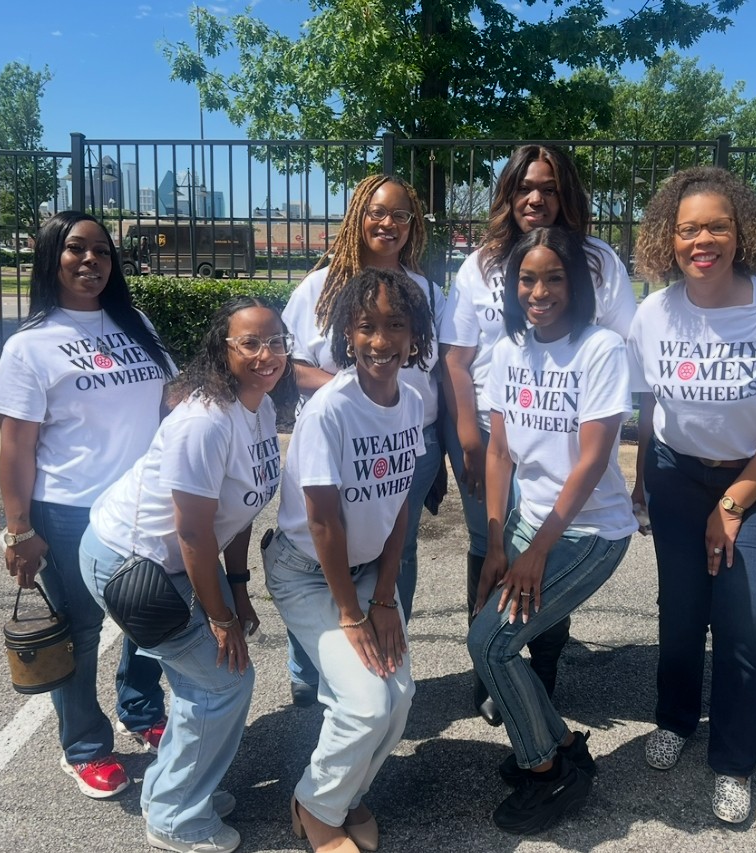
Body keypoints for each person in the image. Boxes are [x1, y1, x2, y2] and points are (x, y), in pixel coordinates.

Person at [628, 166, 756, 824]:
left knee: (743, 618)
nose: (702, 241)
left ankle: (734, 760)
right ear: (668, 237)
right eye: (688, 229)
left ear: (741, 232)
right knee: (681, 609)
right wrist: (641, 478)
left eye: (717, 226)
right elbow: (650, 405)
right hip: (676, 476)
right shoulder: (653, 313)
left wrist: (733, 503)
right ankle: (675, 718)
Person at [79, 297, 296, 853]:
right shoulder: (205, 422)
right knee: (219, 683)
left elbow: (243, 506)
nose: (267, 354)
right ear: (223, 350)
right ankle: (175, 816)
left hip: (174, 561)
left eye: (276, 340)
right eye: (251, 342)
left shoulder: (259, 407)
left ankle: (173, 792)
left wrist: (238, 591)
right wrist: (220, 619)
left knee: (209, 682)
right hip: (133, 565)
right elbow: (194, 532)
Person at [439, 144, 636, 725]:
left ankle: (541, 671)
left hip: (564, 436)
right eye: (525, 187)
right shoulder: (480, 264)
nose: (536, 198)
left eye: (549, 188)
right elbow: (457, 356)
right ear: (508, 193)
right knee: (491, 547)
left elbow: (619, 344)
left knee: (548, 558)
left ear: (565, 195)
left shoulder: (598, 261)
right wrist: (469, 438)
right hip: (493, 432)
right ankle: (490, 671)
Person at [0, 211, 176, 798]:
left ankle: (141, 710)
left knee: (151, 618)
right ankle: (84, 746)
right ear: (52, 257)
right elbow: (16, 447)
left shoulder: (135, 323)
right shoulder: (30, 346)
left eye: (102, 250)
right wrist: (19, 529)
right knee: (82, 631)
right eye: (76, 248)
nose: (91, 260)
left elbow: (167, 404)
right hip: (69, 510)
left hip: (143, 504)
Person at [466, 227, 637, 835]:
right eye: (527, 279)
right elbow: (499, 454)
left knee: (492, 645)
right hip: (525, 521)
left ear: (578, 284)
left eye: (555, 278)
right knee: (490, 640)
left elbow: (591, 462)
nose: (539, 292)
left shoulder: (601, 349)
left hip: (589, 531)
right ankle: (561, 746)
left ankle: (547, 772)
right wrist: (496, 544)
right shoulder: (508, 351)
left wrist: (536, 551)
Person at [262, 268, 432, 853]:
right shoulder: (329, 410)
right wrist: (352, 613)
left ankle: (344, 793)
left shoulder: (412, 402)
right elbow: (323, 522)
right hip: (309, 574)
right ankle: (316, 806)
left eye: (395, 325)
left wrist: (384, 597)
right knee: (364, 706)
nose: (381, 341)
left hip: (367, 576)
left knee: (399, 699)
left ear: (415, 335)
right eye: (366, 327)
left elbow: (400, 504)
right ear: (346, 335)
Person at [280, 174, 445, 707]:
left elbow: (438, 369)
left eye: (400, 215)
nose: (388, 223)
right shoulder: (321, 287)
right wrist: (356, 396)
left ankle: (387, 643)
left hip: (410, 438)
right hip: (338, 440)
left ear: (413, 225)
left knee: (395, 547)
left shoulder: (426, 291)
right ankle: (310, 666)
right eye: (377, 212)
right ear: (358, 217)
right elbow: (290, 364)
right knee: (324, 546)